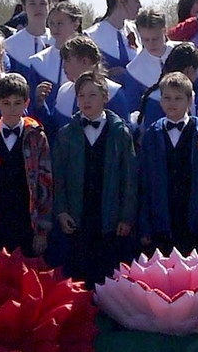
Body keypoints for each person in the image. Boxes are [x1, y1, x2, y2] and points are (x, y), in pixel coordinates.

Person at [53, 71, 136, 281]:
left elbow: (129, 178)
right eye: (81, 96)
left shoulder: (120, 134)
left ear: (105, 97)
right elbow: (58, 177)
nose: (86, 101)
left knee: (106, 270)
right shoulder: (66, 134)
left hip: (108, 214)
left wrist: (125, 216)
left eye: (92, 95)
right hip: (77, 214)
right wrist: (62, 211)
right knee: (78, 270)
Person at [135, 72, 198, 257]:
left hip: (193, 220)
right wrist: (145, 225)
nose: (172, 103)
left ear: (190, 100)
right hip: (161, 220)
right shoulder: (152, 134)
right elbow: (144, 183)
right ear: (160, 101)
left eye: (178, 98)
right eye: (167, 98)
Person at [0, 73, 53, 260]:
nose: (12, 109)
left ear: (26, 103)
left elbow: (45, 184)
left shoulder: (37, 136)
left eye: (17, 103)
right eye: (6, 103)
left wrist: (43, 230)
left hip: (27, 222)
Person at [92, 0, 141, 76]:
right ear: (121, 0)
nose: (140, 5)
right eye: (136, 1)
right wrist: (107, 74)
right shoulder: (92, 35)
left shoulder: (136, 30)